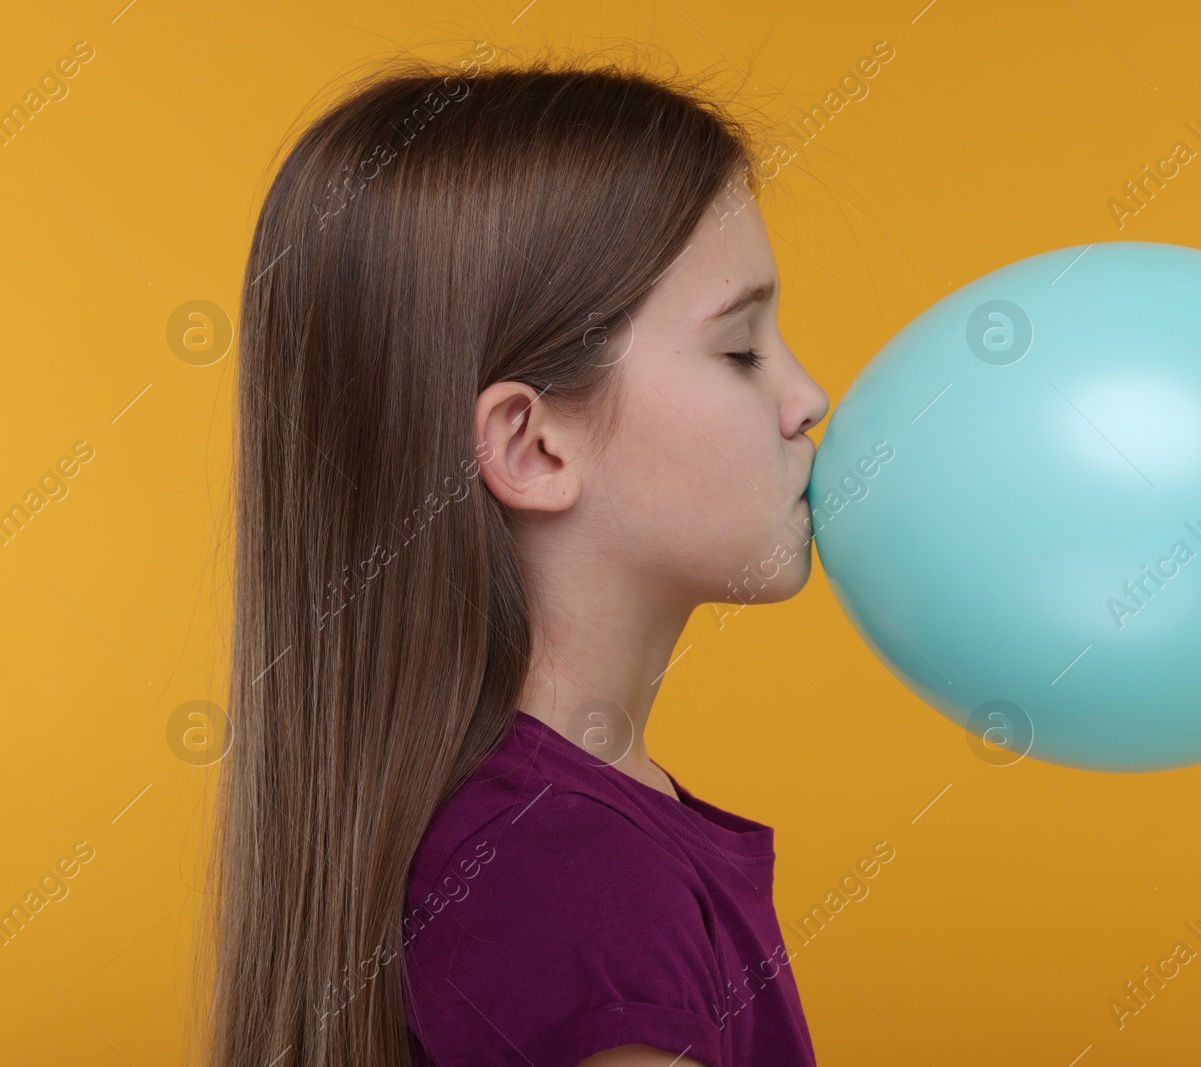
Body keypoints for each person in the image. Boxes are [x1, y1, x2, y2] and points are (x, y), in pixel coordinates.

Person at [203, 49, 830, 1067]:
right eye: (741, 347)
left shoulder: (548, 842)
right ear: (534, 448)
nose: (806, 398)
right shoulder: (574, 879)